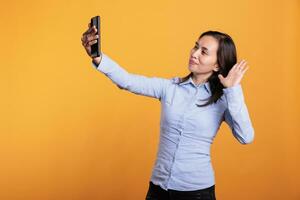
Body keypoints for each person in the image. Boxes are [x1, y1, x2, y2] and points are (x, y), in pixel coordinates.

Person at [81, 22, 255, 200]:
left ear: (217, 65)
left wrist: (233, 90)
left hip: (197, 193)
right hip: (158, 188)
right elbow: (127, 81)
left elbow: (246, 137)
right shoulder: (170, 87)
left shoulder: (225, 100)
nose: (194, 54)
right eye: (195, 46)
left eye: (203, 51)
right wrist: (97, 56)